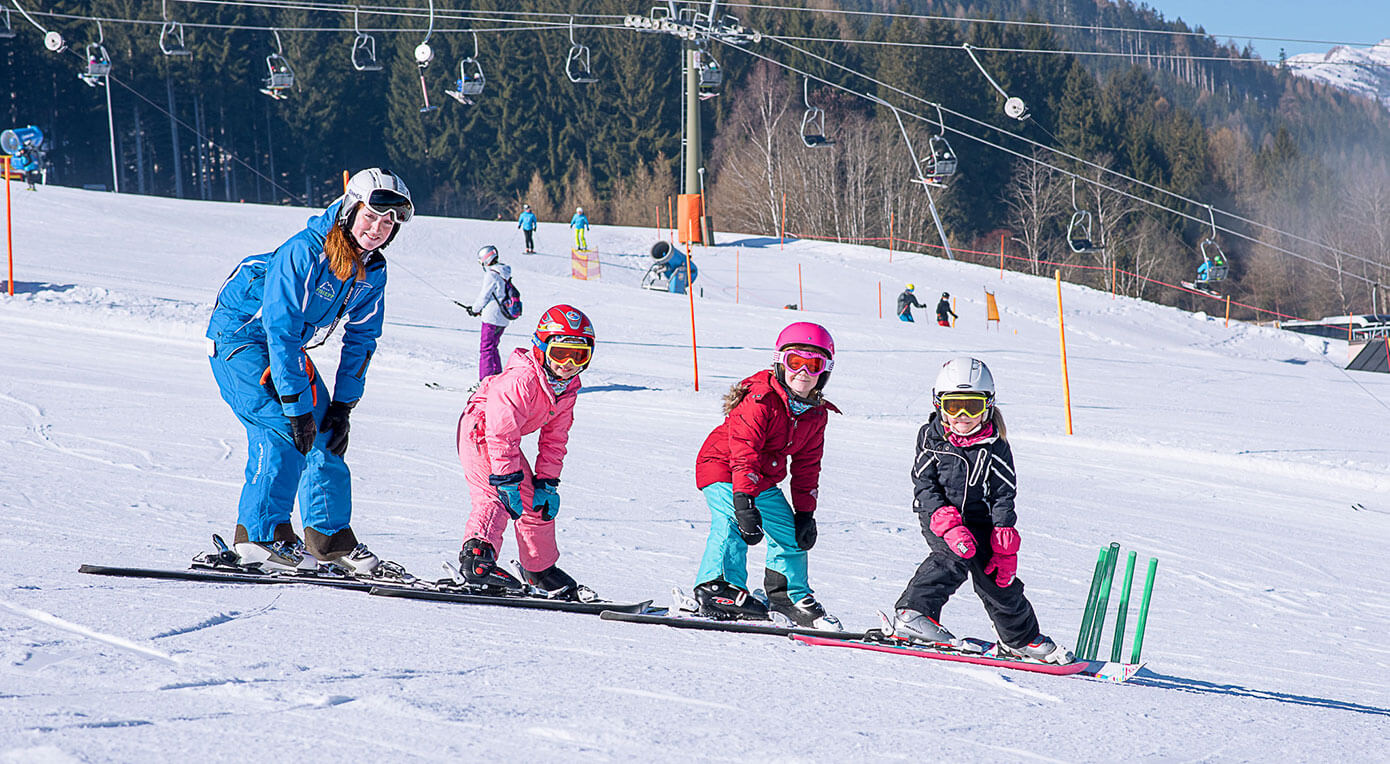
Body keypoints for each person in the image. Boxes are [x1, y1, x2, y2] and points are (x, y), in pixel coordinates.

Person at [206, 168, 413, 576]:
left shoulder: (372, 270)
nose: (377, 229)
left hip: (285, 346)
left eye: (388, 223)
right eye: (370, 217)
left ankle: (329, 539)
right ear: (349, 211)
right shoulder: (304, 252)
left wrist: (344, 406)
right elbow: (279, 329)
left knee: (326, 434)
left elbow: (362, 339)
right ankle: (259, 538)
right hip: (243, 340)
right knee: (283, 427)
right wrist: (297, 405)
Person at [885, 357, 1071, 664]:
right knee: (954, 556)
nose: (961, 416)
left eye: (971, 407)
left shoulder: (995, 445)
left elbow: (1003, 493)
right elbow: (924, 484)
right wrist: (944, 521)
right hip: (939, 515)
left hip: (980, 520)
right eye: (952, 406)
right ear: (938, 404)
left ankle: (1019, 638)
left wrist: (1003, 534)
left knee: (997, 576)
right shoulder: (932, 438)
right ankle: (913, 613)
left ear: (987, 405)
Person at [691, 322, 843, 628]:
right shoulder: (761, 398)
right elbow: (744, 450)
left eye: (813, 364)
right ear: (779, 362)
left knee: (789, 532)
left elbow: (807, 464)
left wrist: (805, 513)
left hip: (759, 477)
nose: (802, 371)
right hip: (722, 464)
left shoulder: (816, 413)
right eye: (794, 361)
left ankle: (786, 594)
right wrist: (743, 500)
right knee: (732, 519)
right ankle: (717, 586)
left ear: (824, 371)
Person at [455, 304, 597, 599]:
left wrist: (547, 481)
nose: (568, 363)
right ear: (542, 348)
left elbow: (554, 440)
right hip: (481, 431)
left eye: (579, 356)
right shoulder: (522, 380)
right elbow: (501, 431)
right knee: (495, 496)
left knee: (535, 503)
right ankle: (477, 559)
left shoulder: (566, 388)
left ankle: (539, 568)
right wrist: (506, 479)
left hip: (504, 439)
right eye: (560, 353)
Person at [461, 245, 513, 380]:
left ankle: (485, 381)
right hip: (503, 317)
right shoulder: (504, 272)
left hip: (492, 317)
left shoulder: (491, 274)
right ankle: (497, 378)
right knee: (493, 347)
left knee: (486, 349)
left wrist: (474, 309)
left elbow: (484, 296)